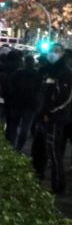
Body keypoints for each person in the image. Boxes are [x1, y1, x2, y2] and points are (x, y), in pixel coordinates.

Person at [32, 44, 71, 194]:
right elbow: (41, 93)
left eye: (56, 52)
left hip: (55, 119)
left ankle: (58, 185)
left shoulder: (65, 73)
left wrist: (50, 112)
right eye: (51, 51)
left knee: (54, 153)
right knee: (38, 150)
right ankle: (37, 175)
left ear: (62, 54)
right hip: (41, 117)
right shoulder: (46, 70)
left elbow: (65, 98)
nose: (52, 54)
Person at [5, 54, 42, 151]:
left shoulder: (18, 73)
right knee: (25, 129)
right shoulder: (37, 75)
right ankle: (18, 147)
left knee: (14, 125)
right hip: (30, 106)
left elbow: (11, 87)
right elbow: (40, 90)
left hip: (18, 104)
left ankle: (13, 145)